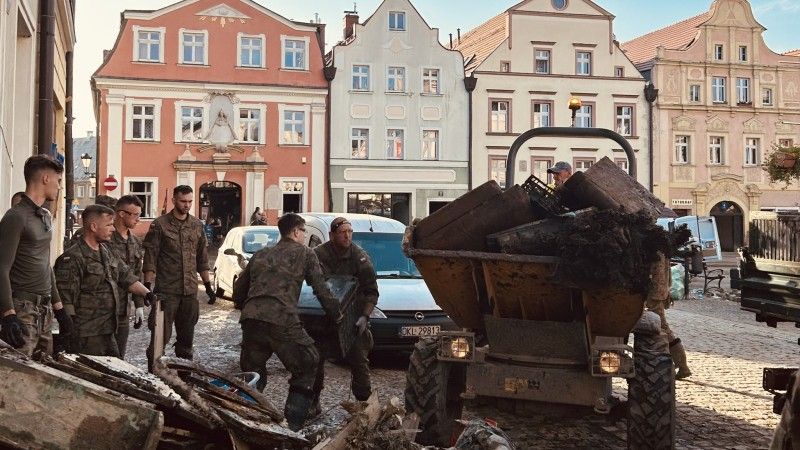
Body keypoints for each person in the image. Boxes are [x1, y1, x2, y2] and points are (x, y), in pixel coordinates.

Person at [235, 213, 342, 431]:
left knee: (253, 375)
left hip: (252, 320)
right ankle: (291, 427)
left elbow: (239, 292)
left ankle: (245, 421)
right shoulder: (305, 253)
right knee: (309, 362)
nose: (304, 235)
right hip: (282, 319)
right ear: (295, 232)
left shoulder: (261, 254)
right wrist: (337, 314)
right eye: (303, 231)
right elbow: (321, 288)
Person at [53, 205, 156, 356]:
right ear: (94, 226)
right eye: (108, 224)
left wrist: (147, 293)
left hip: (108, 330)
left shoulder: (106, 252)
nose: (113, 229)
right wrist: (70, 331)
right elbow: (66, 299)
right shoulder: (73, 258)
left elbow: (126, 276)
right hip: (86, 334)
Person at [0, 156, 72, 356]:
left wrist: (59, 309)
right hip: (22, 310)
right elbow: (1, 268)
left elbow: (45, 265)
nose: (59, 187)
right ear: (45, 179)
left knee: (45, 372)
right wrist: (8, 314)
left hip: (44, 310)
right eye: (58, 181)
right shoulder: (16, 217)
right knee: (21, 375)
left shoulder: (44, 216)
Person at [310, 217, 379, 416]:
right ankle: (313, 400)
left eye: (350, 232)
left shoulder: (360, 257)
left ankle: (363, 405)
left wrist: (365, 317)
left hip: (353, 317)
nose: (347, 236)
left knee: (359, 360)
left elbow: (371, 291)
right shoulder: (318, 255)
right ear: (332, 235)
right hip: (323, 317)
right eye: (343, 232)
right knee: (315, 360)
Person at [143, 185, 214, 371]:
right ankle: (154, 376)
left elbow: (202, 259)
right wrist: (147, 285)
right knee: (159, 341)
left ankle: (184, 379)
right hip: (167, 292)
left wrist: (208, 286)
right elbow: (151, 257)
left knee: (186, 343)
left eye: (190, 201)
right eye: (183, 201)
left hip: (190, 293)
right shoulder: (159, 225)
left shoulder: (197, 225)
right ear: (174, 200)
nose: (187, 205)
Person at [106, 195, 147, 358]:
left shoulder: (135, 242)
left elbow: (137, 273)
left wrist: (139, 305)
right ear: (122, 214)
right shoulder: (105, 238)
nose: (138, 219)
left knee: (119, 357)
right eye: (135, 214)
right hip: (103, 309)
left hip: (124, 309)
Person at [647, 252, 692, 380]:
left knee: (663, 328)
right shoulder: (661, 245)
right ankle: (682, 366)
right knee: (662, 327)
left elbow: (656, 272)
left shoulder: (656, 247)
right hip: (660, 291)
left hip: (655, 293)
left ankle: (682, 366)